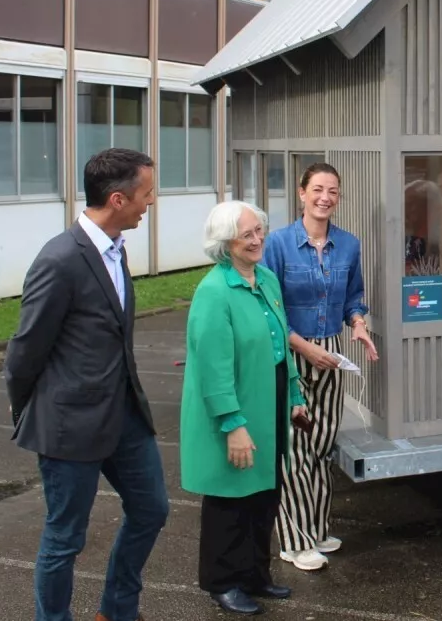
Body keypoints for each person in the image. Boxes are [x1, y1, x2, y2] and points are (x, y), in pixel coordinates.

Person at [4, 148, 170, 621]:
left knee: (151, 510)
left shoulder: (117, 249)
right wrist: (32, 414)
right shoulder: (60, 259)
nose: (151, 201)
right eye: (146, 193)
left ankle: (117, 610)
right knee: (65, 539)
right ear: (117, 199)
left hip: (123, 417)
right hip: (69, 426)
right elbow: (24, 351)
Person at [180, 201, 309, 615]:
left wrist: (295, 395)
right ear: (225, 243)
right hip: (235, 409)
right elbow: (212, 370)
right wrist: (233, 425)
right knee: (230, 500)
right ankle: (223, 581)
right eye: (246, 235)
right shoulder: (214, 292)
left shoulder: (266, 278)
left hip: (267, 401)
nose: (257, 240)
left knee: (264, 495)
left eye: (259, 231)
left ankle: (255, 574)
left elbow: (280, 348)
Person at [262, 162, 378, 571]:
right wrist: (303, 348)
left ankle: (316, 525)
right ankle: (294, 540)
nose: (325, 197)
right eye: (317, 189)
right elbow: (268, 309)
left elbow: (354, 297)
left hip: (330, 352)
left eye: (333, 190)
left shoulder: (348, 244)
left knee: (322, 442)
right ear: (301, 193)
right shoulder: (276, 245)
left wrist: (359, 325)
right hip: (290, 350)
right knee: (294, 447)